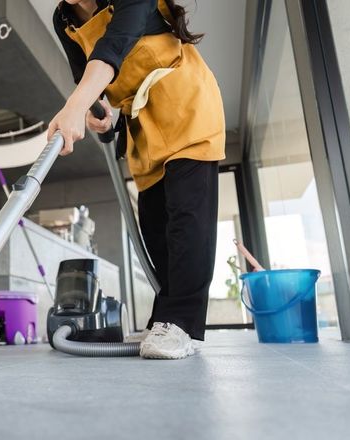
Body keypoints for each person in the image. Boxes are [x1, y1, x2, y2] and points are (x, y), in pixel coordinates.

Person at [48, 0, 225, 359]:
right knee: (155, 225)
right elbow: (87, 76)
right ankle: (166, 316)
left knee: (188, 219)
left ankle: (181, 323)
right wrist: (97, 109)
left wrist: (75, 105)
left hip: (186, 103)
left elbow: (114, 45)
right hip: (143, 124)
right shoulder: (63, 18)